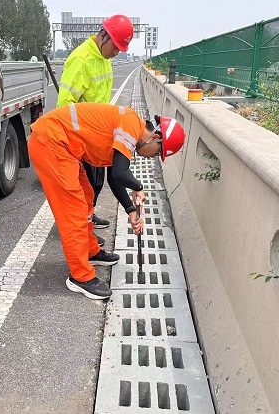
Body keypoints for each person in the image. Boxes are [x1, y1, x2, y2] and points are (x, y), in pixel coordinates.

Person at [28, 102, 186, 299]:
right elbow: (120, 173)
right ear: (154, 138)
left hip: (64, 147)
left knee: (87, 197)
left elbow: (113, 177)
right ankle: (80, 277)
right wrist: (138, 187)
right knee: (74, 211)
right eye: (156, 153)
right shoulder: (130, 126)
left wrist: (130, 209)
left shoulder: (130, 128)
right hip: (51, 143)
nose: (152, 157)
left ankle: (90, 251)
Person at [56, 14, 134, 246]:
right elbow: (65, 105)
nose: (117, 52)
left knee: (96, 183)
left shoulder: (103, 58)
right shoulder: (81, 60)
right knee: (85, 187)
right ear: (104, 36)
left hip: (98, 135)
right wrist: (73, 144)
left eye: (120, 48)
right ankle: (81, 230)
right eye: (116, 46)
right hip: (82, 136)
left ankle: (88, 219)